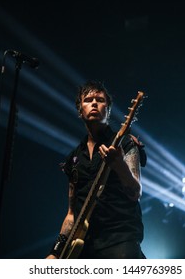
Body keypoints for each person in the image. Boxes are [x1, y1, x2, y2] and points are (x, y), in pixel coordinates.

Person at [46, 80, 146, 259]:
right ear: (80, 110)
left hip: (120, 240)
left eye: (100, 100)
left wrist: (120, 165)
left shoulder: (125, 143)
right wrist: (55, 252)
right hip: (84, 247)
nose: (93, 103)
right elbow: (71, 215)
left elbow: (135, 192)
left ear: (107, 109)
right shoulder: (74, 158)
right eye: (88, 100)